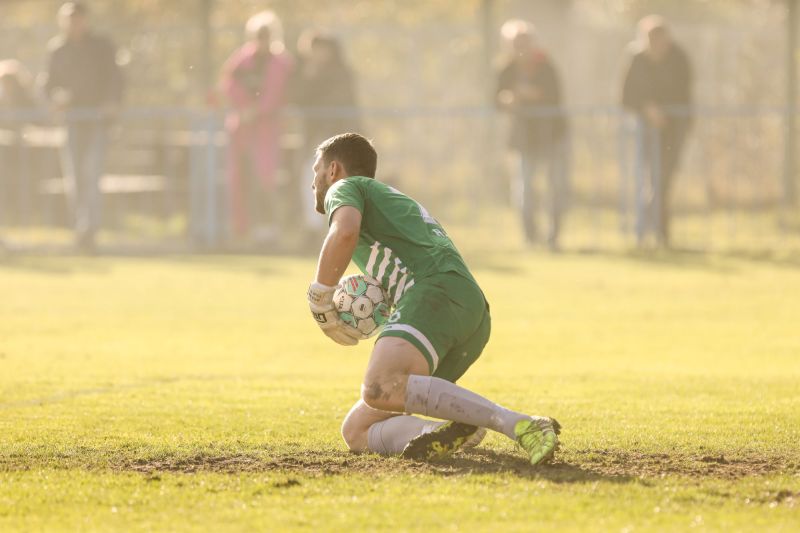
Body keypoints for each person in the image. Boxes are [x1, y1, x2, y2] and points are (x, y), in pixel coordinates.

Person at [306, 133, 560, 464]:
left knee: (379, 385)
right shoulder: (385, 199)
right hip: (467, 308)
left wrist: (320, 297)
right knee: (357, 429)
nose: (313, 183)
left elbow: (345, 232)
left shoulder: (345, 187)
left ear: (333, 170)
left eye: (316, 171)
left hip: (435, 291)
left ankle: (520, 425)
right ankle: (442, 431)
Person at [42, 1, 124, 252]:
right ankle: (81, 229)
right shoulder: (58, 49)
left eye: (77, 18)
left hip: (97, 123)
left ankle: (91, 230)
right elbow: (47, 85)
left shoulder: (101, 46)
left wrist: (111, 102)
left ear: (85, 20)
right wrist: (55, 98)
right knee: (75, 178)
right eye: (68, 19)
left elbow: (116, 78)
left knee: (91, 174)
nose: (73, 24)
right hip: (72, 123)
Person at [496, 19, 568, 250]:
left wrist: (531, 94)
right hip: (522, 139)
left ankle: (553, 238)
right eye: (515, 42)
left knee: (555, 187)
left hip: (551, 136)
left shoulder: (545, 65)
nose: (520, 47)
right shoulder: (505, 68)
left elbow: (556, 96)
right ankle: (530, 237)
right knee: (525, 190)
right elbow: (495, 98)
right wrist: (507, 99)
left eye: (524, 41)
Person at [221, 10, 292, 242]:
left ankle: (269, 228)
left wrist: (257, 110)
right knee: (240, 178)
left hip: (266, 130)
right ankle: (241, 228)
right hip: (242, 128)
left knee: (266, 177)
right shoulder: (242, 60)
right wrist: (244, 108)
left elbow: (275, 93)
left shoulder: (280, 62)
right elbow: (229, 84)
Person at [622, 15, 693, 247]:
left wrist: (666, 113)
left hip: (674, 128)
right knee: (649, 179)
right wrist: (647, 108)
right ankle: (647, 232)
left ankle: (657, 231)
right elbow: (626, 95)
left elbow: (685, 92)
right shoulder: (637, 59)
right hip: (646, 127)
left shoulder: (679, 58)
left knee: (663, 180)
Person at [293, 30, 360, 239]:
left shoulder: (340, 74)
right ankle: (314, 228)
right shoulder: (305, 73)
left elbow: (340, 104)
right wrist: (308, 77)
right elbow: (297, 99)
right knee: (310, 176)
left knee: (340, 180)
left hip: (337, 136)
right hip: (314, 137)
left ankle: (339, 225)